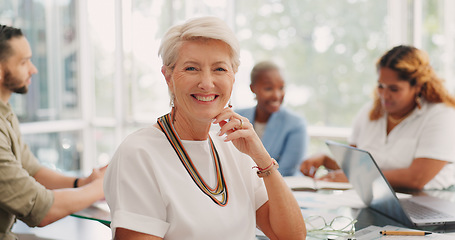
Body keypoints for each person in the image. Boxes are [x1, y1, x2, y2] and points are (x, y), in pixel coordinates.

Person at [104, 16, 306, 240]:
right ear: (168, 77)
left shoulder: (235, 146)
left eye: (219, 69)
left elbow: (291, 236)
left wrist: (261, 157)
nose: (207, 83)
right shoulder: (139, 153)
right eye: (192, 68)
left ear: (233, 76)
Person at [0, 24, 106, 240]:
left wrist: (82, 184)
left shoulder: (5, 112)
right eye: (23, 62)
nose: (33, 69)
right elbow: (40, 210)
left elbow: (32, 170)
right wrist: (102, 188)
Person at [300, 45, 455, 190]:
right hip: (379, 198)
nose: (384, 95)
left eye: (394, 89)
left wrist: (359, 178)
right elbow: (354, 167)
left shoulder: (441, 115)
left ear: (418, 86)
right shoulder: (369, 112)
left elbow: (417, 178)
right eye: (381, 86)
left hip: (430, 203)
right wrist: (326, 159)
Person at [236, 61, 308, 176]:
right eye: (268, 88)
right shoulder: (236, 118)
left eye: (281, 88)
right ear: (252, 88)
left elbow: (286, 172)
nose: (277, 95)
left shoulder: (295, 124)